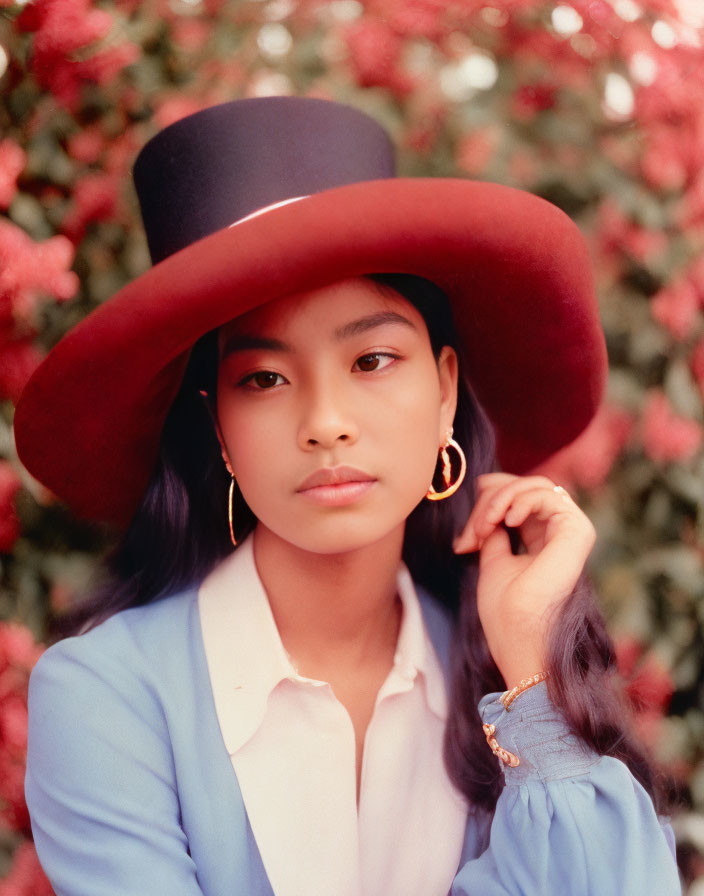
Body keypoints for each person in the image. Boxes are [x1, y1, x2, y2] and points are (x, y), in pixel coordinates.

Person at [15, 97, 680, 896]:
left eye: (371, 361)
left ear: (444, 390)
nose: (325, 424)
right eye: (262, 379)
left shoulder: (491, 681)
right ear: (217, 426)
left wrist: (533, 675)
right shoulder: (107, 697)